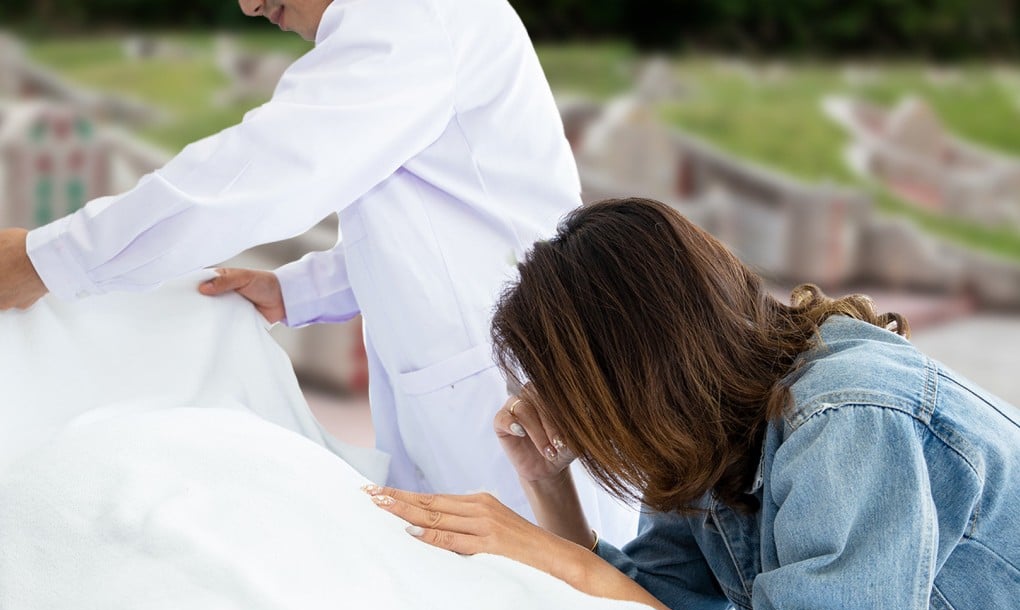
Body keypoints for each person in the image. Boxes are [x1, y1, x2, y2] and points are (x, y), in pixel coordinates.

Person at [0, 0, 634, 539]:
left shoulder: (413, 17)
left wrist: (51, 258)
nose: (250, 5)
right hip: (481, 379)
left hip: (509, 392)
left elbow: (261, 171)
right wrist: (297, 290)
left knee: (544, 599)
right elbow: (442, 218)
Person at [365, 198, 1020, 610]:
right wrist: (547, 484)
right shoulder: (718, 435)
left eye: (576, 389)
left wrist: (554, 557)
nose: (576, 418)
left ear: (637, 370)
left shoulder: (847, 420)